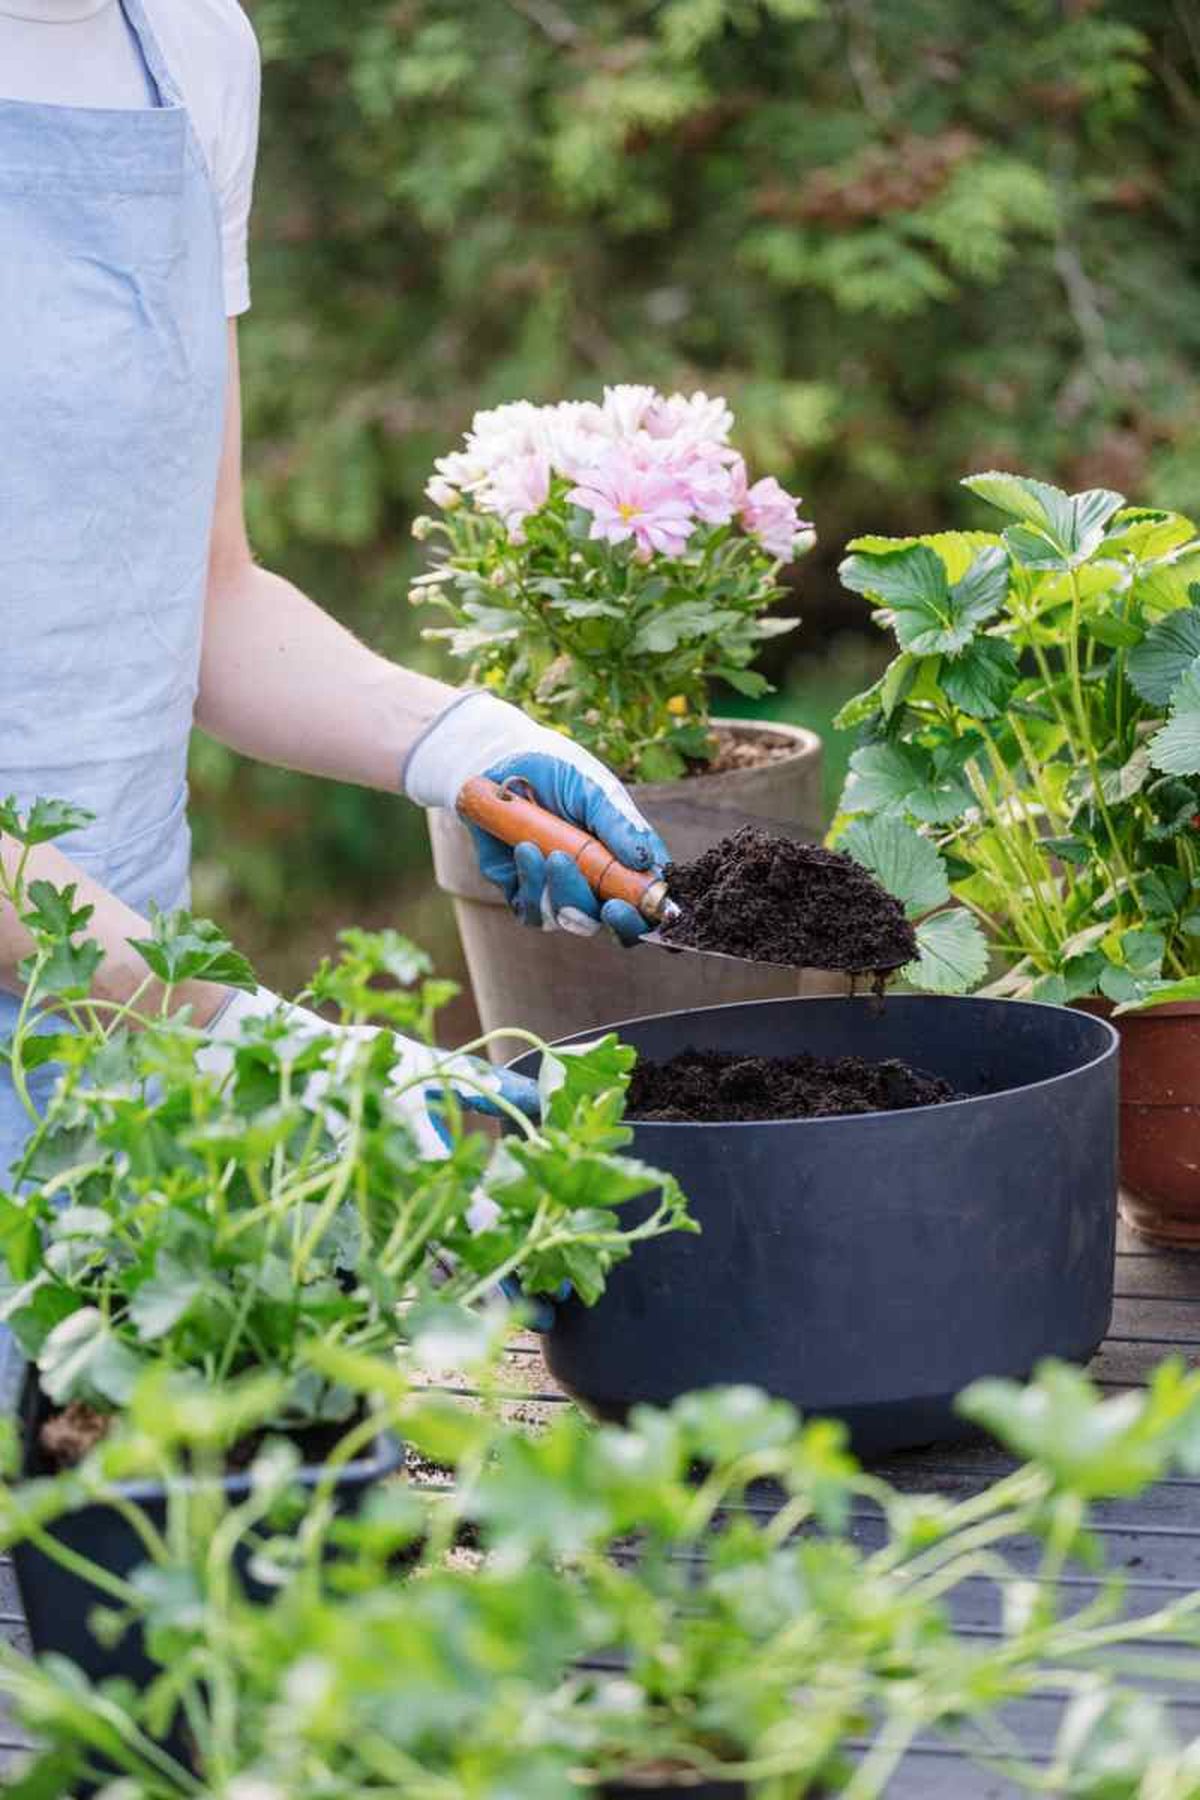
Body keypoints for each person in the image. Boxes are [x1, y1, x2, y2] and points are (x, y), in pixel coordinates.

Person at [0, 0, 669, 1179]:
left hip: (126, 1039)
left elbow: (202, 589)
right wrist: (246, 1035)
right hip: (158, 1005)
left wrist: (457, 741)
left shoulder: (189, 51)